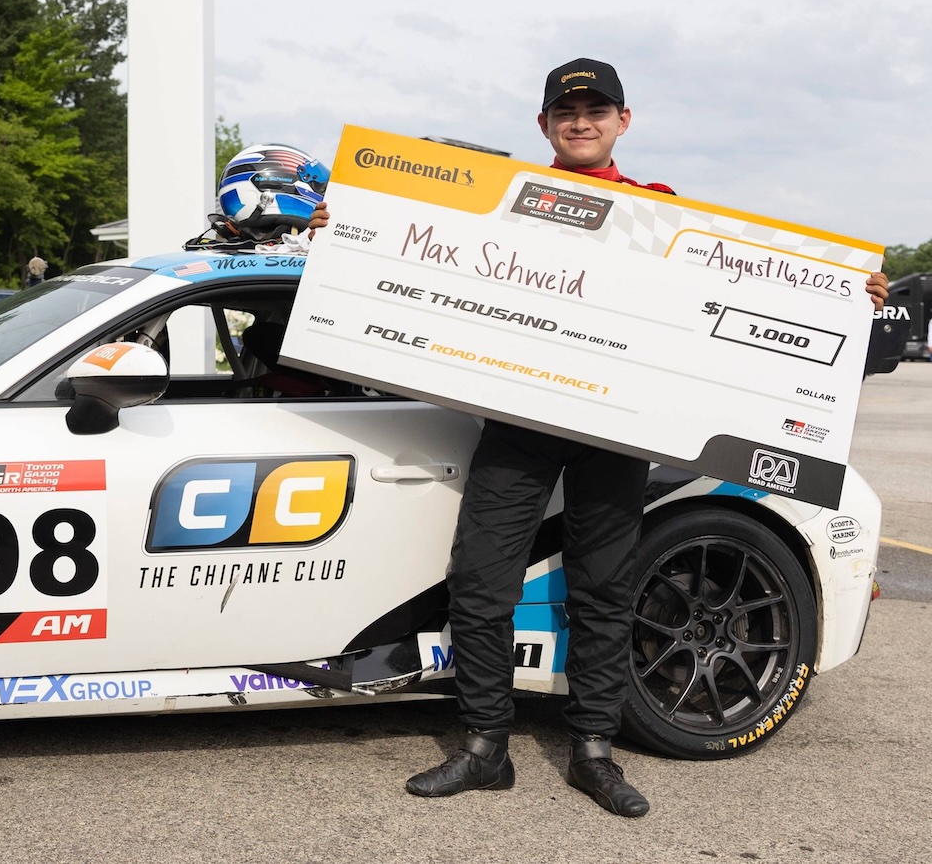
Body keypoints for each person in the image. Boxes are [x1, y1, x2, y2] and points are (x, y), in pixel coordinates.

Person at [307, 58, 889, 817]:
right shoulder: (505, 203)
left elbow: (755, 296)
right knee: (481, 589)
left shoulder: (664, 212)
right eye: (566, 112)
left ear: (623, 121)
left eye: (595, 111)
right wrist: (342, 231)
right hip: (520, 424)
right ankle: (485, 747)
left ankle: (593, 752)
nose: (581, 123)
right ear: (545, 126)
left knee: (606, 593)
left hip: (616, 434)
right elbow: (410, 257)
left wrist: (850, 292)